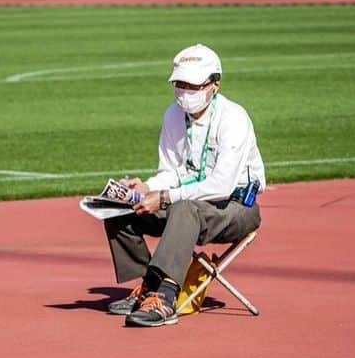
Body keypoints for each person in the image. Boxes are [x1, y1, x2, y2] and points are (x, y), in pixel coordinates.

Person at [99, 43, 265, 328]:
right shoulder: (172, 115)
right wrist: (147, 187)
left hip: (235, 208)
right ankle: (148, 288)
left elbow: (221, 186)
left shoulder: (234, 118)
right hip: (188, 204)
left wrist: (164, 198)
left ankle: (165, 297)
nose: (185, 92)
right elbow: (172, 172)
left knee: (184, 208)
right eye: (180, 84)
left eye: (194, 85)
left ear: (215, 85)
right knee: (121, 209)